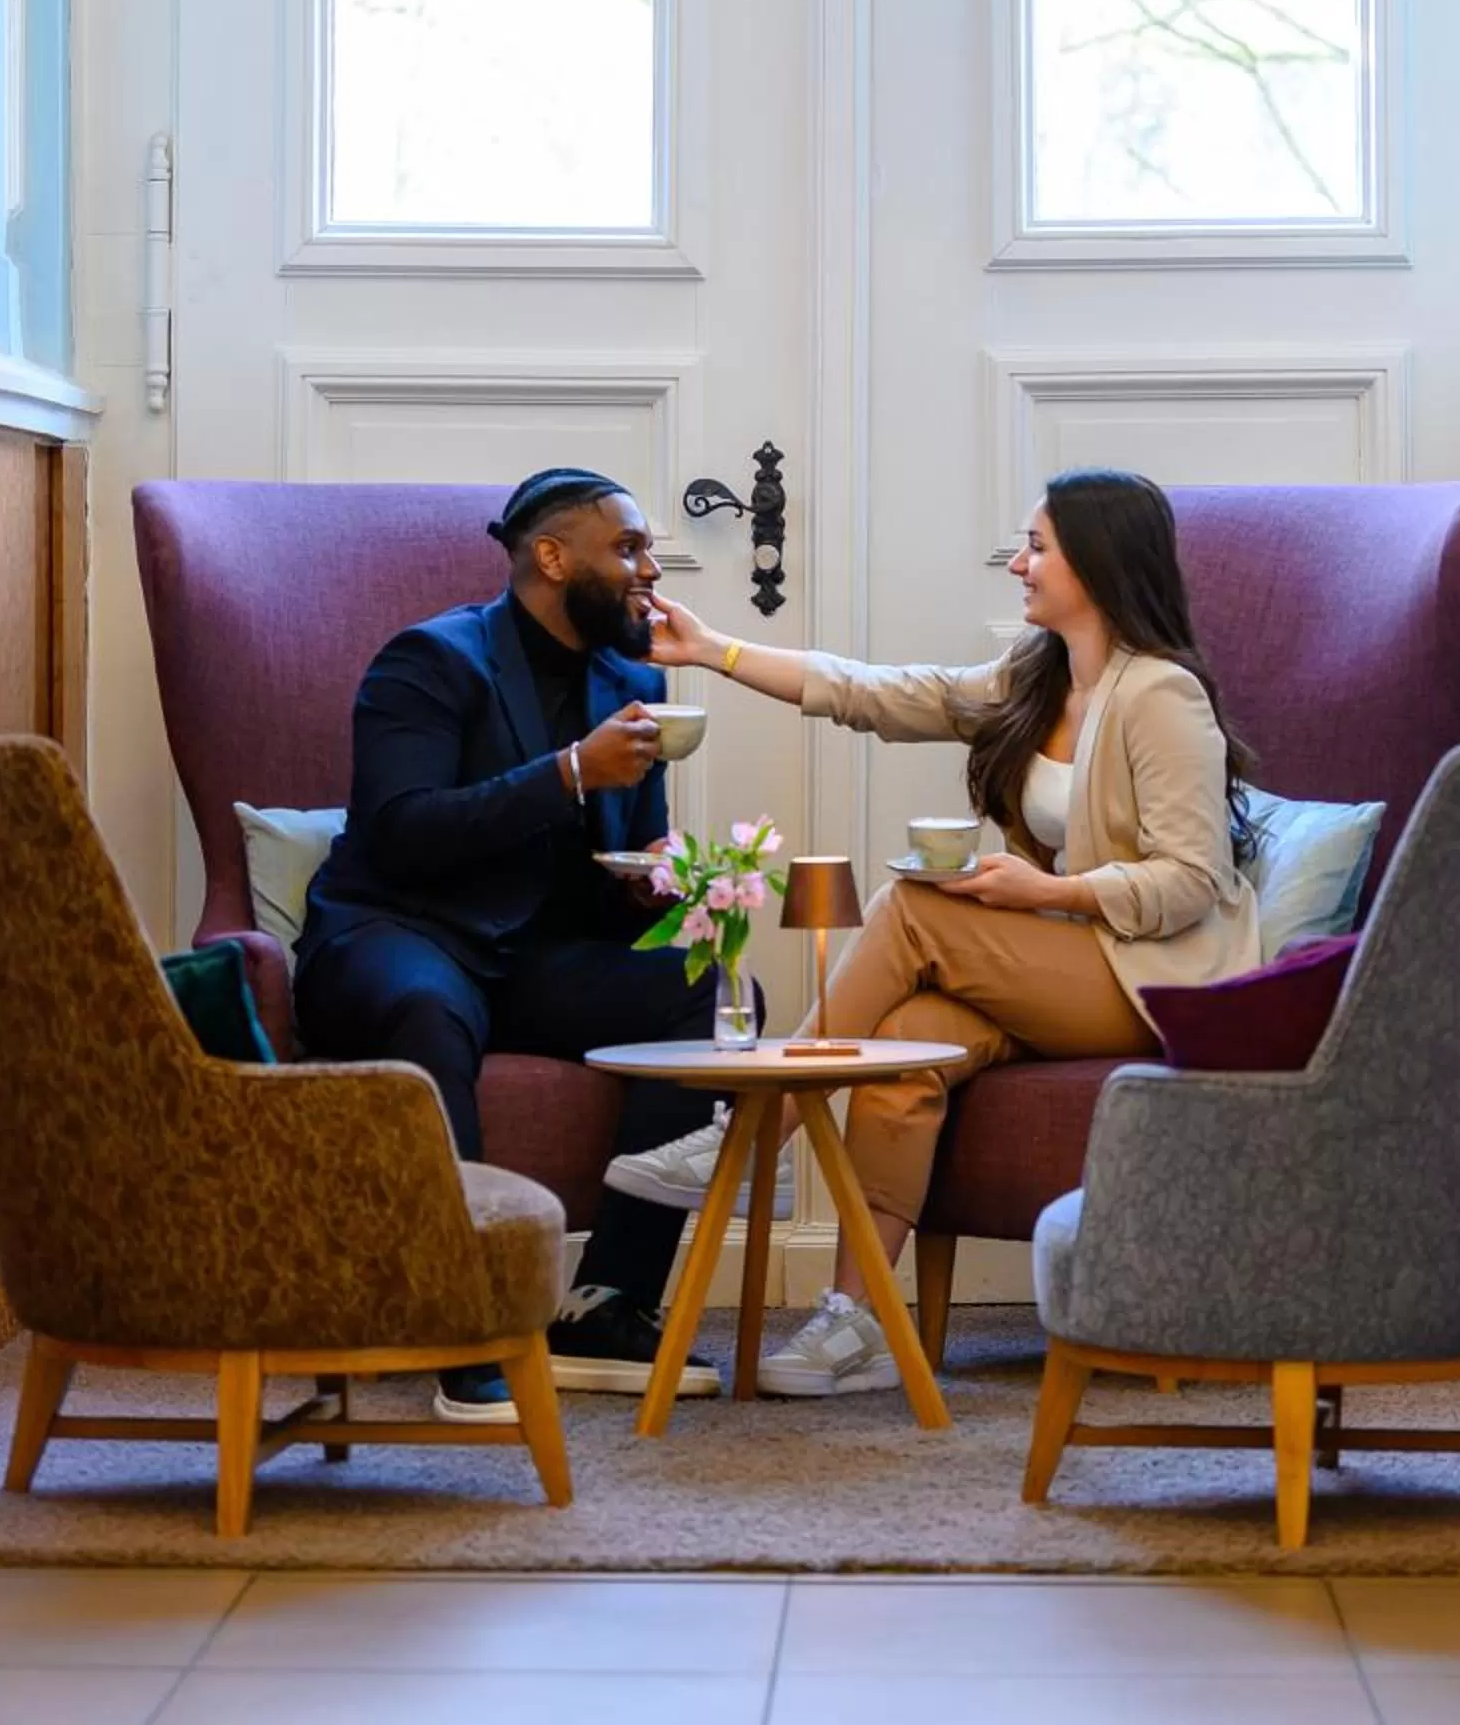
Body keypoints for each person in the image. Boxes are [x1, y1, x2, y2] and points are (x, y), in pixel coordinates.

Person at [609, 466, 1262, 1396]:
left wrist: (1043, 895)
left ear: (1100, 562)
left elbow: (1191, 881)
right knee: (906, 1047)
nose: (1019, 564)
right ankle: (859, 1322)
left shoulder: (1160, 694)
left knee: (919, 904)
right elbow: (875, 692)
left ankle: (750, 1130)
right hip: (1068, 971)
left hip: (1153, 984)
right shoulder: (1034, 679)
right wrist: (717, 652)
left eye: (1038, 546)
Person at [294, 467, 752, 1422]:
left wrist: (651, 879)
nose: (648, 569)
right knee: (425, 1008)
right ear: (551, 558)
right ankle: (467, 1322)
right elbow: (398, 831)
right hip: (404, 932)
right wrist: (568, 773)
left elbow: (615, 849)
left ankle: (604, 1303)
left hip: (535, 957)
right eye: (626, 548)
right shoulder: (429, 660)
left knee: (698, 983)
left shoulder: (635, 679)